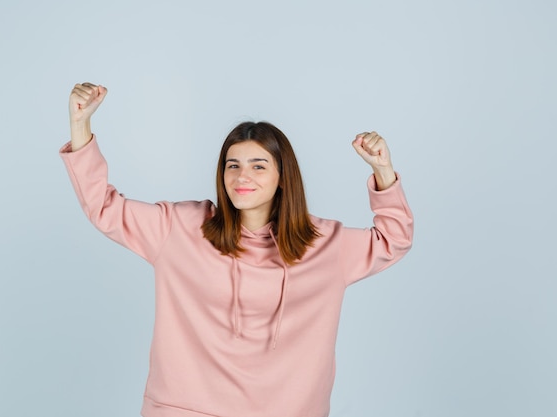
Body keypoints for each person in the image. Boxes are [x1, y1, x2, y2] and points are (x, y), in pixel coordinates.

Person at [60, 82, 413, 417]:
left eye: (258, 166)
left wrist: (383, 170)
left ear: (282, 176)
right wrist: (81, 124)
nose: (243, 177)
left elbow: (394, 239)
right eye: (233, 165)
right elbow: (103, 207)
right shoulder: (180, 227)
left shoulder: (324, 244)